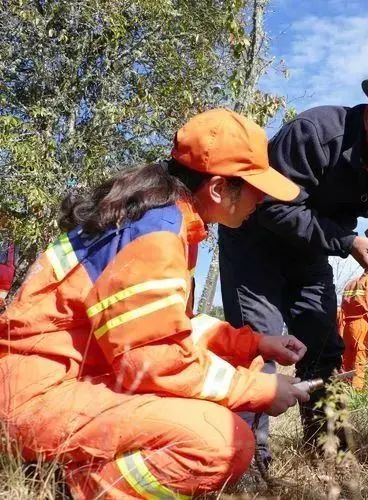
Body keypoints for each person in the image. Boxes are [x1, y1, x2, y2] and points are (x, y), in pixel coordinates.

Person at [0, 109, 310, 498]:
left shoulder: (158, 217)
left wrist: (254, 344)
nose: (261, 199)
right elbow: (153, 359)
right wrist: (261, 390)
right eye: (254, 188)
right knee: (219, 445)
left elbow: (171, 323)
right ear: (217, 188)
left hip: (70, 381)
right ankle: (72, 488)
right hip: (37, 399)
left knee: (233, 380)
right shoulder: (157, 233)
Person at [218, 72, 368, 453]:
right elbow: (273, 208)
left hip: (311, 250)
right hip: (255, 240)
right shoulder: (315, 133)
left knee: (323, 347)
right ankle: (247, 459)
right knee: (257, 345)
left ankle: (327, 452)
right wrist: (345, 241)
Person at [0, 240, 14, 308]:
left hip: (6, 267)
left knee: (6, 244)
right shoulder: (2, 297)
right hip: (6, 268)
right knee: (8, 245)